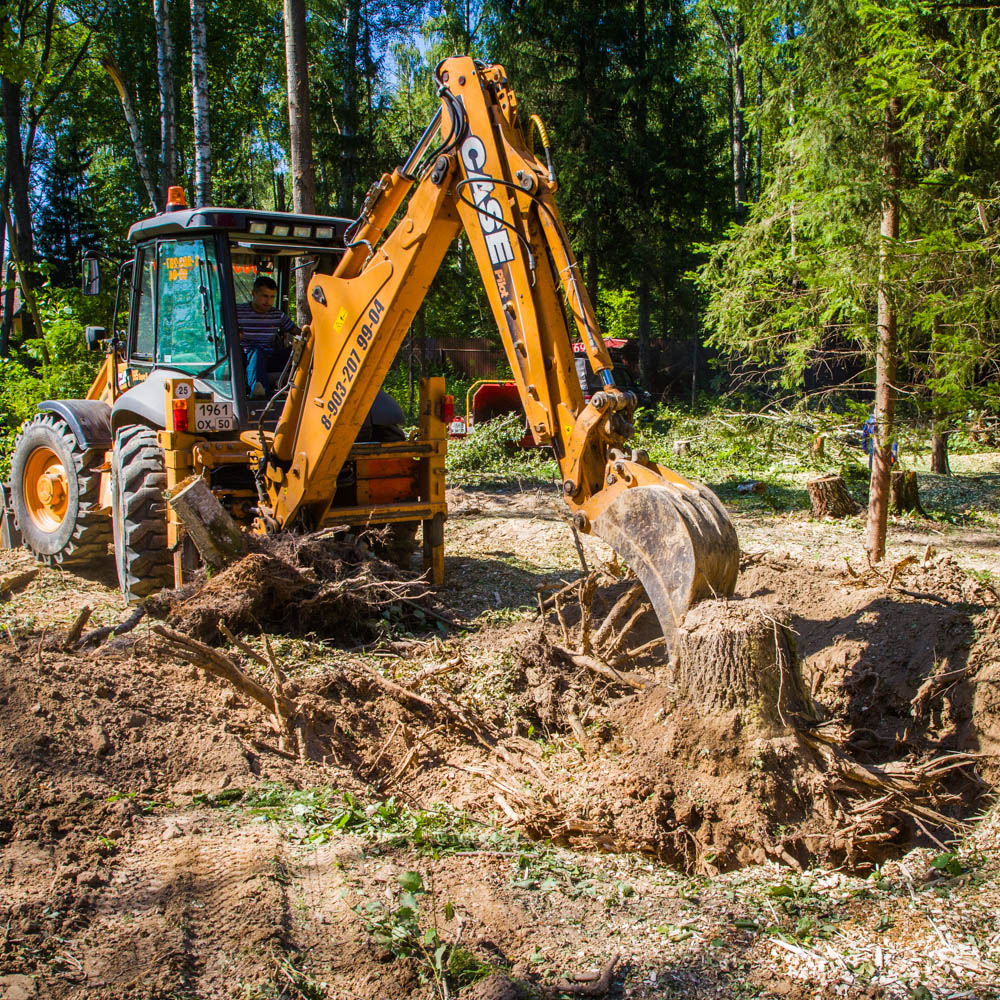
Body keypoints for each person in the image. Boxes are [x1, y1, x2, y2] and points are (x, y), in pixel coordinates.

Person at [236, 275, 298, 398]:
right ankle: (259, 390)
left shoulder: (277, 315)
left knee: (297, 351)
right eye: (264, 296)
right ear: (254, 294)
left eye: (272, 297)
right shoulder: (238, 311)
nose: (268, 301)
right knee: (256, 351)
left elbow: (296, 330)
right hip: (245, 357)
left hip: (269, 357)